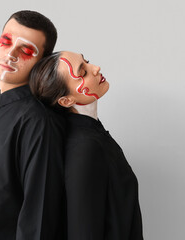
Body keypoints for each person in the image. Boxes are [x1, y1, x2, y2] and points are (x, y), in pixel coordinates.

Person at [0, 11, 66, 240]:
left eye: (26, 51)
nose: (10, 54)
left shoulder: (37, 122)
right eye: (6, 42)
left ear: (41, 62)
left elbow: (39, 222)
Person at [29, 51, 144, 240]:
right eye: (82, 72)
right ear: (66, 100)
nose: (95, 68)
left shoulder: (93, 135)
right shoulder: (84, 148)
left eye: (87, 62)